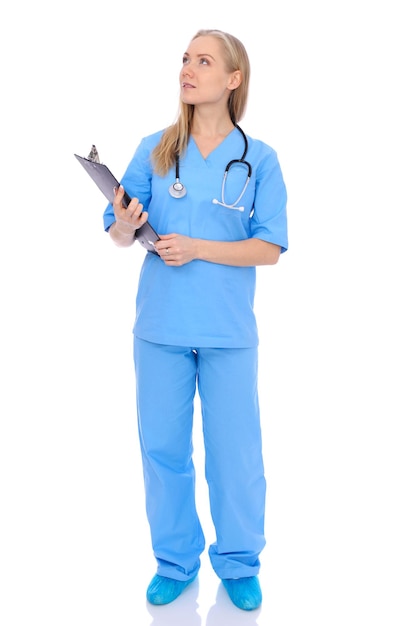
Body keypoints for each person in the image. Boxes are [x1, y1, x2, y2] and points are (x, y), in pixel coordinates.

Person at [103, 28, 288, 611]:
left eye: (203, 61)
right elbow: (117, 234)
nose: (188, 68)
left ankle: (238, 561)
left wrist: (200, 247)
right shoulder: (155, 149)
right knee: (162, 449)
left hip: (227, 332)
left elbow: (270, 248)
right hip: (160, 327)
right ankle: (175, 560)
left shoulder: (259, 159)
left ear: (232, 79)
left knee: (235, 454)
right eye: (185, 58)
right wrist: (128, 223)